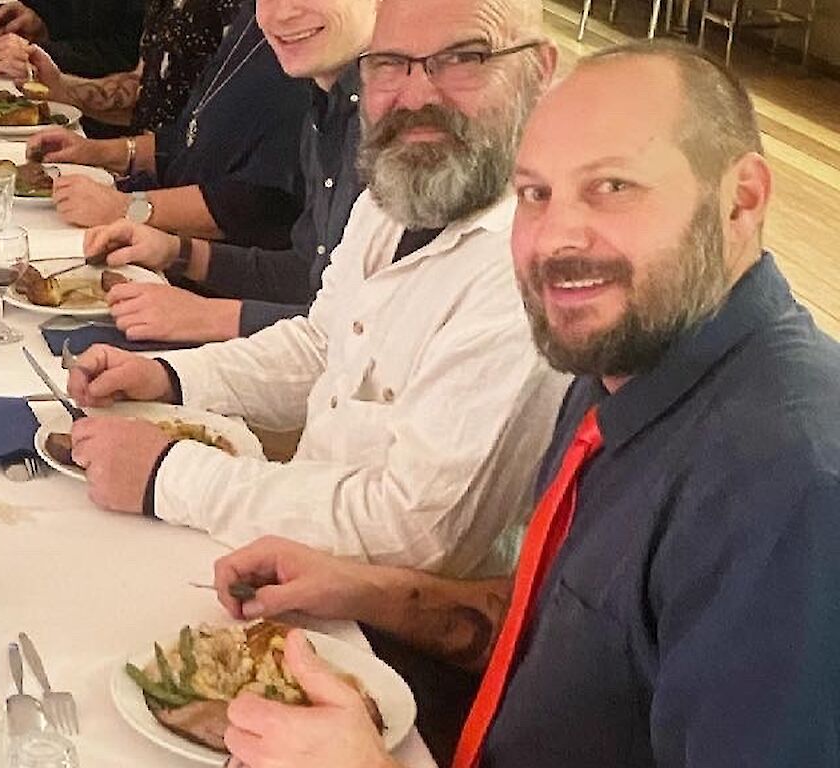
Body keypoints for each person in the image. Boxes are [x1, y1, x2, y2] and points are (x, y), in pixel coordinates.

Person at [206, 41, 840, 768]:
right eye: (535, 193)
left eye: (613, 187)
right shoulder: (618, 363)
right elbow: (560, 635)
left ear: (742, 200)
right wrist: (362, 587)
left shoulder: (789, 489)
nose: (556, 240)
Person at [64, 0, 567, 578]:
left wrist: (167, 477)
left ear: (539, 70)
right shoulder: (396, 193)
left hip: (381, 644)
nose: (417, 95)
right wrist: (172, 377)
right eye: (391, 63)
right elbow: (322, 344)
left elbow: (420, 534)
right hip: (291, 553)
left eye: (464, 58)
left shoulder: (531, 268)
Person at [75, 0, 377, 343]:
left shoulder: (401, 126)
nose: (281, 13)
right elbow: (310, 273)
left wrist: (207, 316)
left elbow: (368, 332)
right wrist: (178, 252)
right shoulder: (323, 98)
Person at [19, 0, 310, 248]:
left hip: (211, 263)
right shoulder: (251, 15)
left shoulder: (287, 31)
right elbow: (181, 130)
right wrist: (93, 149)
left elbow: (259, 202)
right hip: (161, 220)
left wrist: (127, 208)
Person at [0, 0, 239, 136]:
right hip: (147, 169)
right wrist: (60, 86)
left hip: (176, 196)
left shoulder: (242, 12)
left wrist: (127, 199)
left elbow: (235, 186)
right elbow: (147, 93)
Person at [0, 0, 147, 80]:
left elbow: (127, 56)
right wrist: (42, 26)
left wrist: (41, 53)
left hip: (108, 122)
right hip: (66, 90)